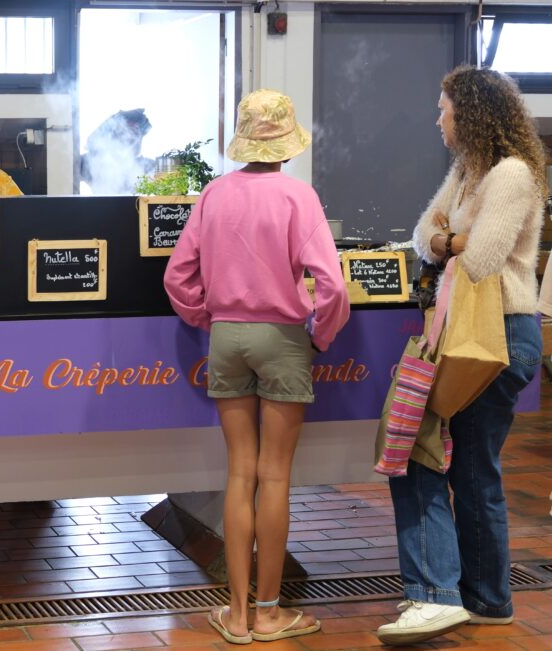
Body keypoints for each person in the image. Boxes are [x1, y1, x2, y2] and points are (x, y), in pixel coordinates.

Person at [163, 89, 349, 645]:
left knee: (238, 474)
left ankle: (235, 614)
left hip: (225, 337)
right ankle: (270, 615)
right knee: (275, 477)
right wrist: (320, 335)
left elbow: (177, 276)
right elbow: (333, 285)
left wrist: (207, 316)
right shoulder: (298, 197)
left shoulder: (214, 195)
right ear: (287, 143)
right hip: (283, 338)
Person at [377, 66, 546, 646]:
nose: (437, 117)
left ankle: (436, 595)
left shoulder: (511, 175)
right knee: (473, 472)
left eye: (443, 107)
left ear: (471, 112)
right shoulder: (467, 172)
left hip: (497, 334)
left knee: (423, 454)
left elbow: (482, 260)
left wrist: (451, 241)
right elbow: (423, 233)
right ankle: (488, 599)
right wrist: (448, 238)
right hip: (472, 333)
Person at [79, 108, 154, 194]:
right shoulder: (90, 162)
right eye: (124, 131)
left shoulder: (147, 166)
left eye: (135, 131)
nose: (130, 136)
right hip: (101, 205)